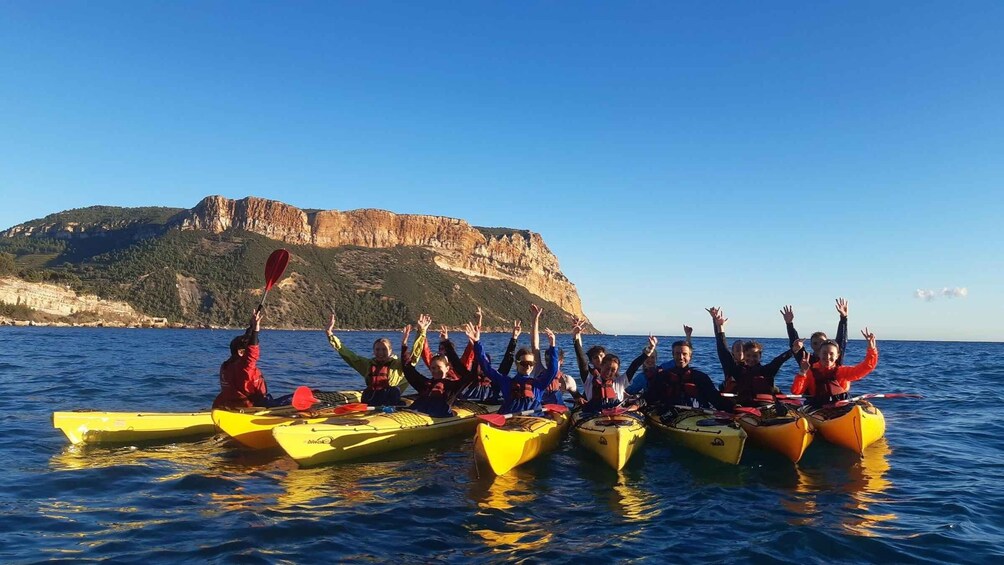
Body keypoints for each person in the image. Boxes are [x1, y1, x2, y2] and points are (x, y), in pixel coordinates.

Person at [707, 307, 796, 405]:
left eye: (755, 356)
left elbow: (779, 360)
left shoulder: (767, 371)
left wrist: (794, 350)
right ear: (744, 355)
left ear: (760, 356)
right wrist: (720, 328)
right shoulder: (738, 371)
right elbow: (723, 352)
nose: (751, 359)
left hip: (767, 408)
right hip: (746, 412)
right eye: (748, 355)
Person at [470, 320, 558, 414]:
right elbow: (486, 367)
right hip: (511, 421)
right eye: (524, 363)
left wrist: (552, 346)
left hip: (533, 422)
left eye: (531, 364)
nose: (528, 367)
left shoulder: (538, 385)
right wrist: (477, 342)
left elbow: (553, 371)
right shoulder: (506, 382)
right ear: (517, 363)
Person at [325, 312, 410, 406]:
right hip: (371, 400)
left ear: (390, 351)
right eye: (377, 349)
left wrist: (406, 342)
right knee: (367, 392)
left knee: (394, 390)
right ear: (373, 351)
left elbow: (413, 358)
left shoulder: (398, 365)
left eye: (384, 349)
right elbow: (347, 354)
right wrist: (329, 334)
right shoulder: (367, 364)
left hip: (389, 400)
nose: (380, 353)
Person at [401, 314, 478, 417]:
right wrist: (406, 344)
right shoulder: (426, 384)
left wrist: (475, 344)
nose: (436, 370)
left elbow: (470, 373)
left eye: (439, 368)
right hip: (418, 411)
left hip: (449, 407)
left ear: (447, 368)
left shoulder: (453, 386)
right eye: (433, 368)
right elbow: (408, 369)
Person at [792, 328, 879, 408]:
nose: (827, 357)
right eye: (824, 353)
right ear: (819, 354)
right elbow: (796, 391)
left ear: (837, 356)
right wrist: (802, 372)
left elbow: (867, 367)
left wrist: (872, 349)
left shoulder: (842, 372)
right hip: (818, 409)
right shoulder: (810, 372)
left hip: (841, 407)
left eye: (831, 354)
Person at [644, 340, 730, 412]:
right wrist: (637, 404)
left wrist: (733, 409)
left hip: (697, 416)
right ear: (673, 355)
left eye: (684, 354)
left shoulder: (701, 377)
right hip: (670, 415)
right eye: (677, 354)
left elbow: (716, 400)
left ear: (690, 357)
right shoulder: (663, 376)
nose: (681, 357)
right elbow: (649, 397)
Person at [213, 310, 269, 409]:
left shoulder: (226, 365)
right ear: (241, 352)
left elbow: (245, 342)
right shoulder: (245, 368)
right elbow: (252, 353)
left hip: (230, 405)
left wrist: (252, 326)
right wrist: (256, 331)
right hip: (250, 408)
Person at [782, 298, 849, 366]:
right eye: (815, 343)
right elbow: (796, 345)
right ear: (811, 345)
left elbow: (841, 340)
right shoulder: (807, 361)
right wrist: (789, 324)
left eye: (822, 342)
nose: (819, 345)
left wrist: (843, 318)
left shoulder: (835, 359)